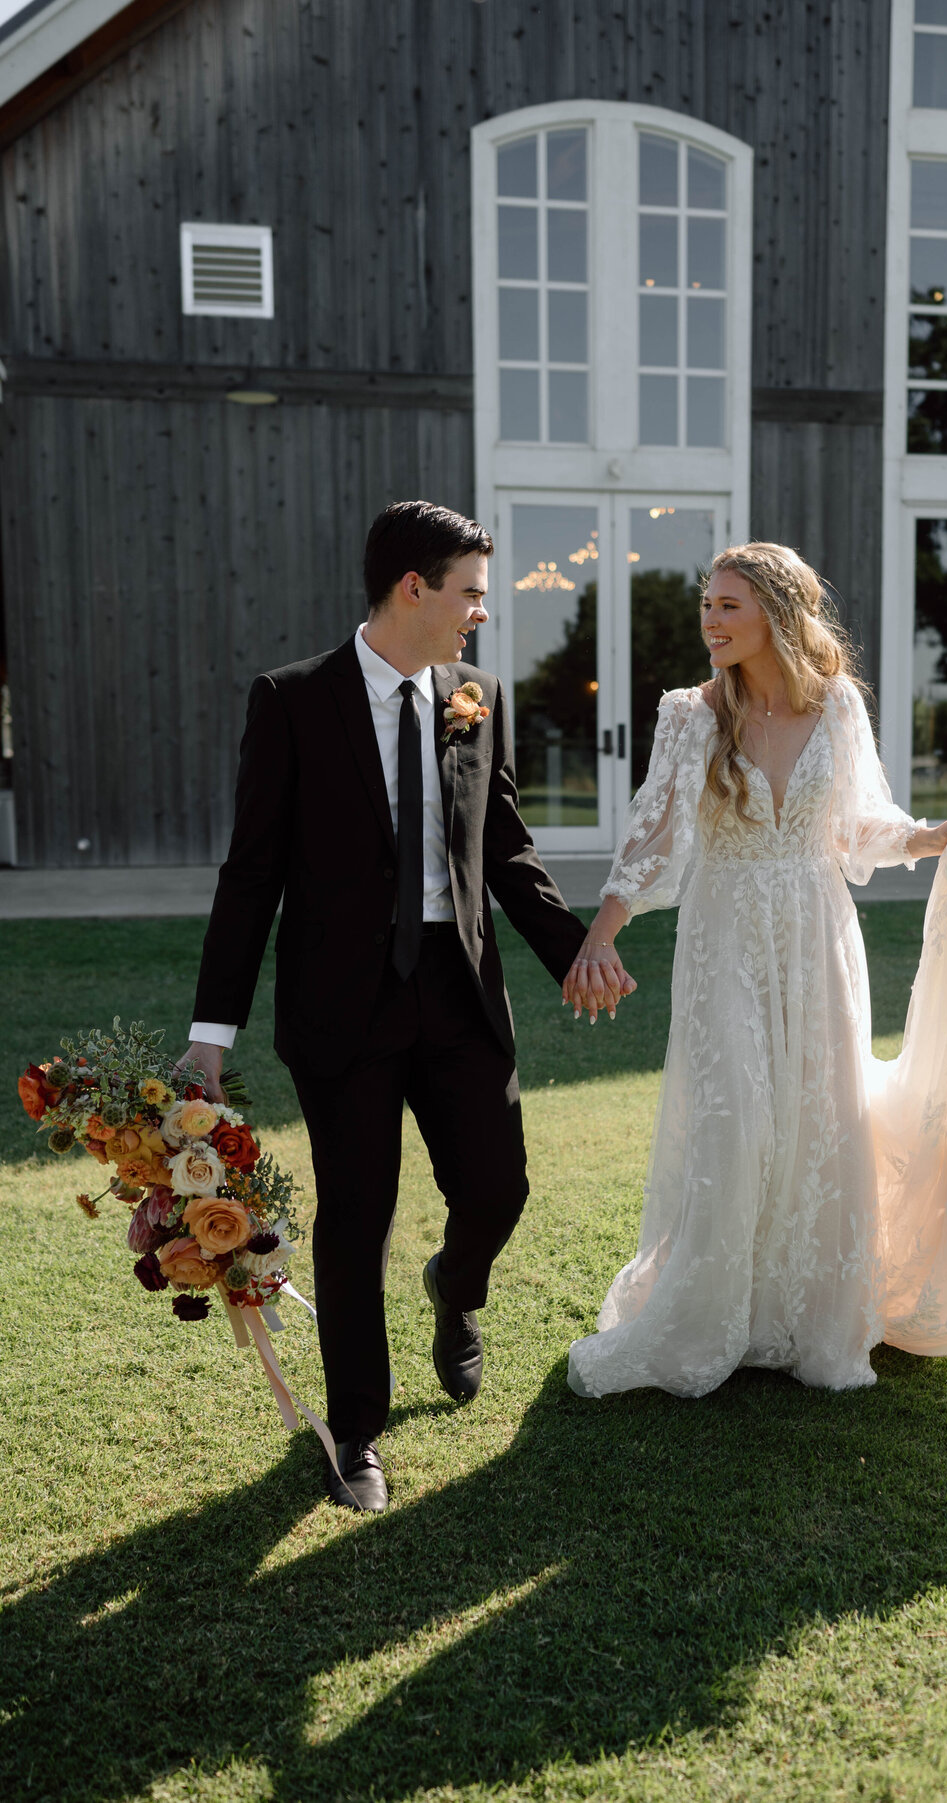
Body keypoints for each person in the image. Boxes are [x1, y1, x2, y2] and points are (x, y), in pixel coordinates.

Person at [563, 542, 947, 1400]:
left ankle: (813, 1317)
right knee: (735, 1121)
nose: (709, 619)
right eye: (706, 604)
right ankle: (708, 1317)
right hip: (726, 939)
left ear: (779, 613)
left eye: (727, 605)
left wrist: (936, 836)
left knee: (820, 1122)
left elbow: (861, 826)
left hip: (817, 939)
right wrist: (603, 933)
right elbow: (652, 836)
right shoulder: (687, 714)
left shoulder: (840, 706)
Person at [178, 501, 634, 1511]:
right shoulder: (293, 700)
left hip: (457, 988)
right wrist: (213, 1036)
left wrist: (578, 951)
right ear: (412, 588)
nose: (481, 611)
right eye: (471, 591)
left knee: (498, 1186)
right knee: (355, 1221)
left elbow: (504, 847)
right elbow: (251, 875)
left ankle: (456, 1289)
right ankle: (356, 1430)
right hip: (341, 1002)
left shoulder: (477, 695)